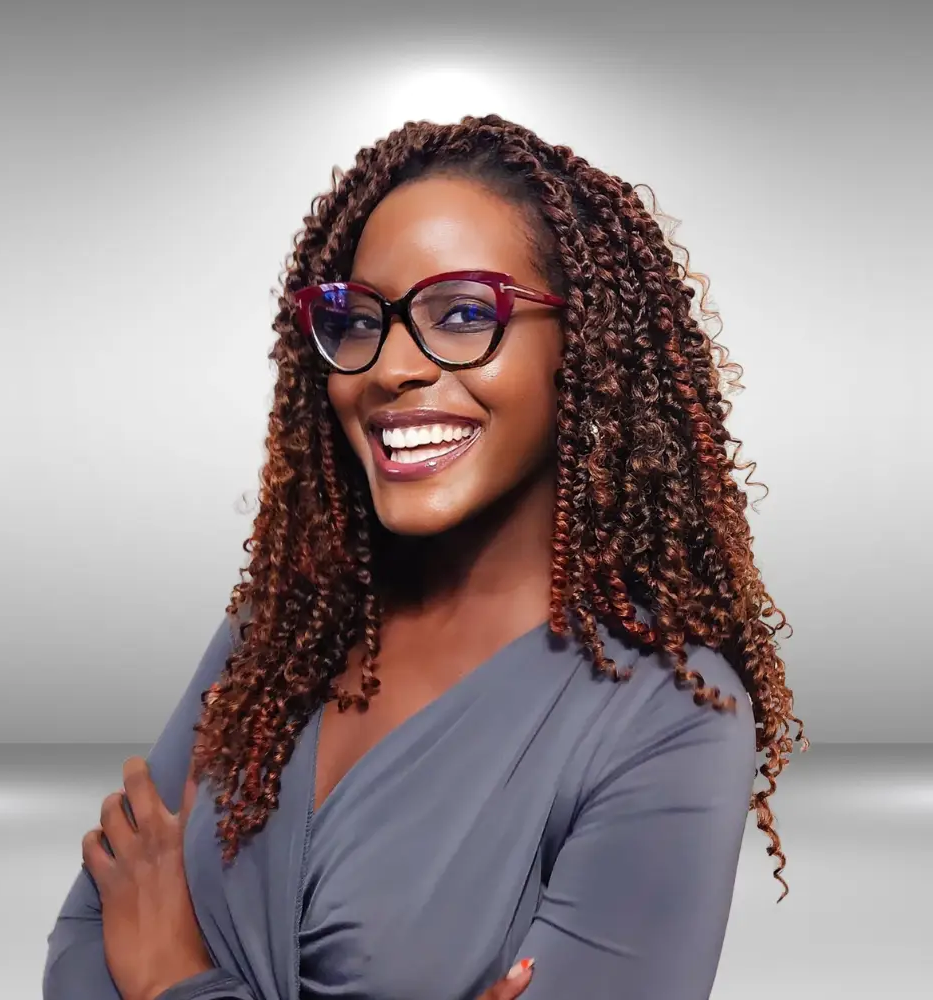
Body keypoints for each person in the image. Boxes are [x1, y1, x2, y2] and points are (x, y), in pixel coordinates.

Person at [43, 114, 807, 1000]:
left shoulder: (669, 715)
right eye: (360, 320)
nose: (390, 368)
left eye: (464, 314)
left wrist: (173, 975)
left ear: (583, 351)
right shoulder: (280, 634)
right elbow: (79, 952)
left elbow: (133, 955)